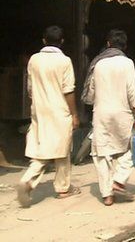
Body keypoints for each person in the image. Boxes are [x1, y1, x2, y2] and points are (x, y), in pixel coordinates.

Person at [17, 26, 81, 207]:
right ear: (62, 42)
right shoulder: (65, 61)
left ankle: (28, 180)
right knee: (62, 149)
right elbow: (68, 90)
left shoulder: (34, 60)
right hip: (60, 110)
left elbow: (30, 88)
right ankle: (63, 188)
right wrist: (74, 114)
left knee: (41, 149)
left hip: (39, 110)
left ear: (44, 40)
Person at [83, 29, 135, 206]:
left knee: (101, 153)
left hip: (101, 113)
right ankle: (119, 180)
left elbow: (90, 93)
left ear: (108, 44)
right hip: (122, 113)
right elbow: (132, 92)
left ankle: (107, 195)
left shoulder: (98, 64)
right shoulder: (127, 63)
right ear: (124, 46)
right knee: (129, 148)